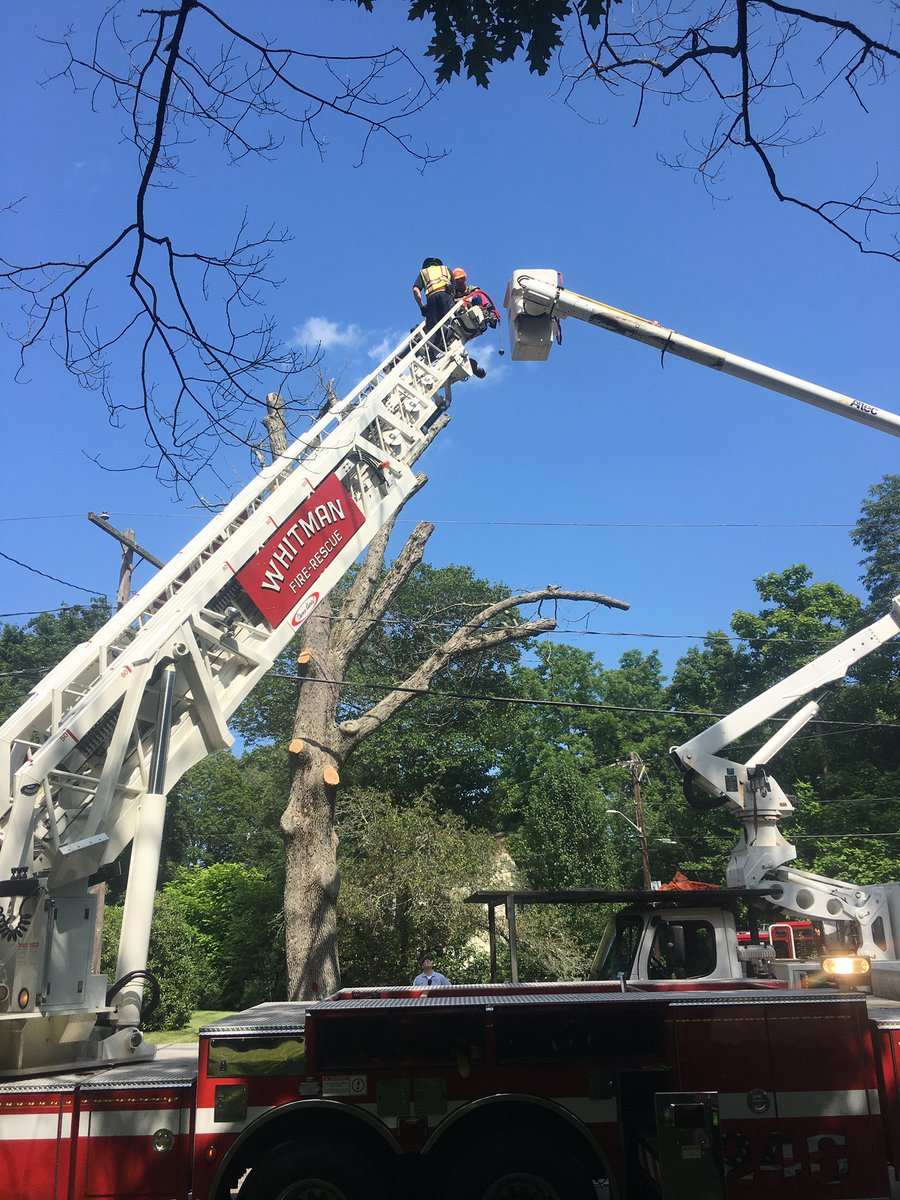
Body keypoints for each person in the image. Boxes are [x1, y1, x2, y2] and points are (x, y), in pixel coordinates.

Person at [450, 267, 500, 379]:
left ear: (465, 279)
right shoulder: (452, 293)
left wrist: (489, 314)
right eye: (458, 281)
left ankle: (470, 365)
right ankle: (470, 364)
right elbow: (449, 302)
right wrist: (461, 301)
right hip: (456, 321)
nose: (460, 283)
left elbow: (479, 298)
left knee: (477, 298)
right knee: (449, 347)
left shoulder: (473, 290)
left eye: (461, 280)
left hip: (471, 319)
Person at [412, 257, 454, 333]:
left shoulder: (424, 273)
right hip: (446, 296)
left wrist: (422, 307)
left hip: (431, 299)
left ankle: (437, 341)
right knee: (450, 321)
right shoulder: (445, 269)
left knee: (432, 328)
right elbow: (454, 289)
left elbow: (416, 290)